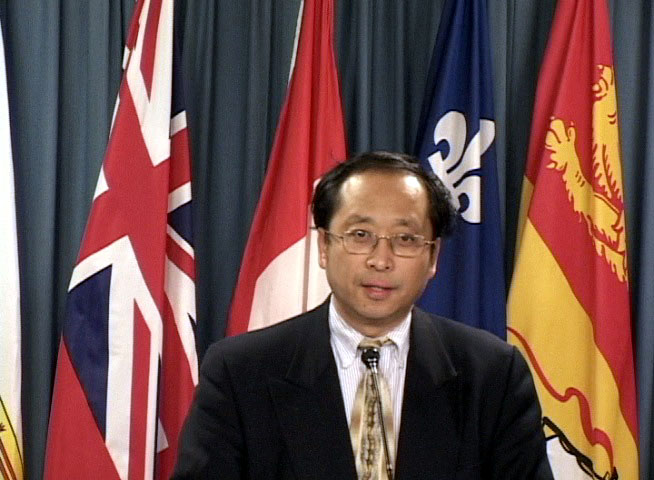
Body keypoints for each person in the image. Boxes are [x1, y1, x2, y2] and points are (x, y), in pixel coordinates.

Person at [173, 151, 553, 479]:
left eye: (405, 239)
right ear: (324, 245)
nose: (380, 260)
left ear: (433, 256)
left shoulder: (493, 375)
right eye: (360, 235)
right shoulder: (240, 372)